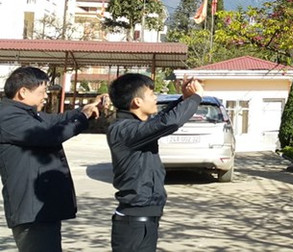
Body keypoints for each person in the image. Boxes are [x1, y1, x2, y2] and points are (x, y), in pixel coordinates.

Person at [0, 65, 104, 252]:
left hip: (41, 209)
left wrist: (84, 110)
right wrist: (83, 117)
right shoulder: (8, 117)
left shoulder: (26, 114)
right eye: (42, 91)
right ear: (23, 92)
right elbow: (51, 135)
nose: (46, 96)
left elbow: (56, 120)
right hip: (31, 212)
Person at [107, 73, 204, 252]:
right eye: (151, 95)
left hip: (143, 220)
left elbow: (160, 120)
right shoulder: (124, 130)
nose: (155, 99)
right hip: (134, 224)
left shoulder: (134, 127)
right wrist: (196, 97)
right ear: (137, 102)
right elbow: (169, 123)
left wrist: (184, 98)